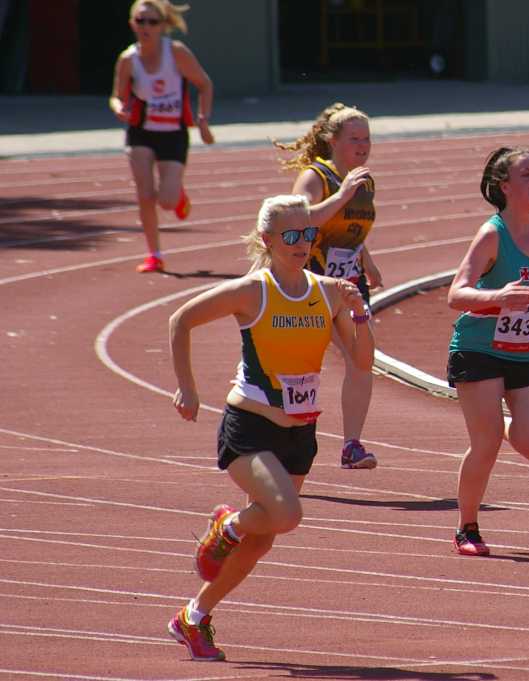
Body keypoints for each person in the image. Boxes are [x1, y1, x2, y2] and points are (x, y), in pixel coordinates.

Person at [166, 194, 374, 661]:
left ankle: (193, 618)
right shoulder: (252, 291)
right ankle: (226, 525)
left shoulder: (327, 291)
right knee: (286, 514)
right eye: (291, 236)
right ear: (268, 240)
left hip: (300, 433)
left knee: (261, 543)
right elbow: (181, 321)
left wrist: (358, 311)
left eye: (308, 234)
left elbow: (362, 362)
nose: (302, 243)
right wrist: (188, 389)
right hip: (251, 427)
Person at [446, 147, 529, 556]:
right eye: (526, 175)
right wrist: (499, 296)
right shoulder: (492, 234)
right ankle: (467, 527)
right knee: (486, 445)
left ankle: (496, 421)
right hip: (479, 348)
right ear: (504, 187)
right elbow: (456, 294)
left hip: (528, 349)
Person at [274, 103, 382, 470]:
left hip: (349, 282)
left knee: (362, 357)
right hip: (311, 283)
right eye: (354, 139)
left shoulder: (361, 180)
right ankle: (275, 436)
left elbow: (349, 228)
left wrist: (367, 259)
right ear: (332, 141)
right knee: (302, 364)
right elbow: (298, 222)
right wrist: (341, 195)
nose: (363, 145)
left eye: (367, 138)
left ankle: (352, 445)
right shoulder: (315, 177)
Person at [109, 0, 215, 273]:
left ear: (163, 26)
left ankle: (176, 195)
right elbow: (116, 96)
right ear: (133, 24)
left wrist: (203, 120)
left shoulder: (176, 53)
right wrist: (119, 108)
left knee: (166, 201)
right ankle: (154, 254)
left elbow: (204, 84)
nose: (146, 27)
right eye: (141, 21)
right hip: (140, 132)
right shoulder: (128, 59)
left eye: (152, 22)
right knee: (145, 194)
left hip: (173, 134)